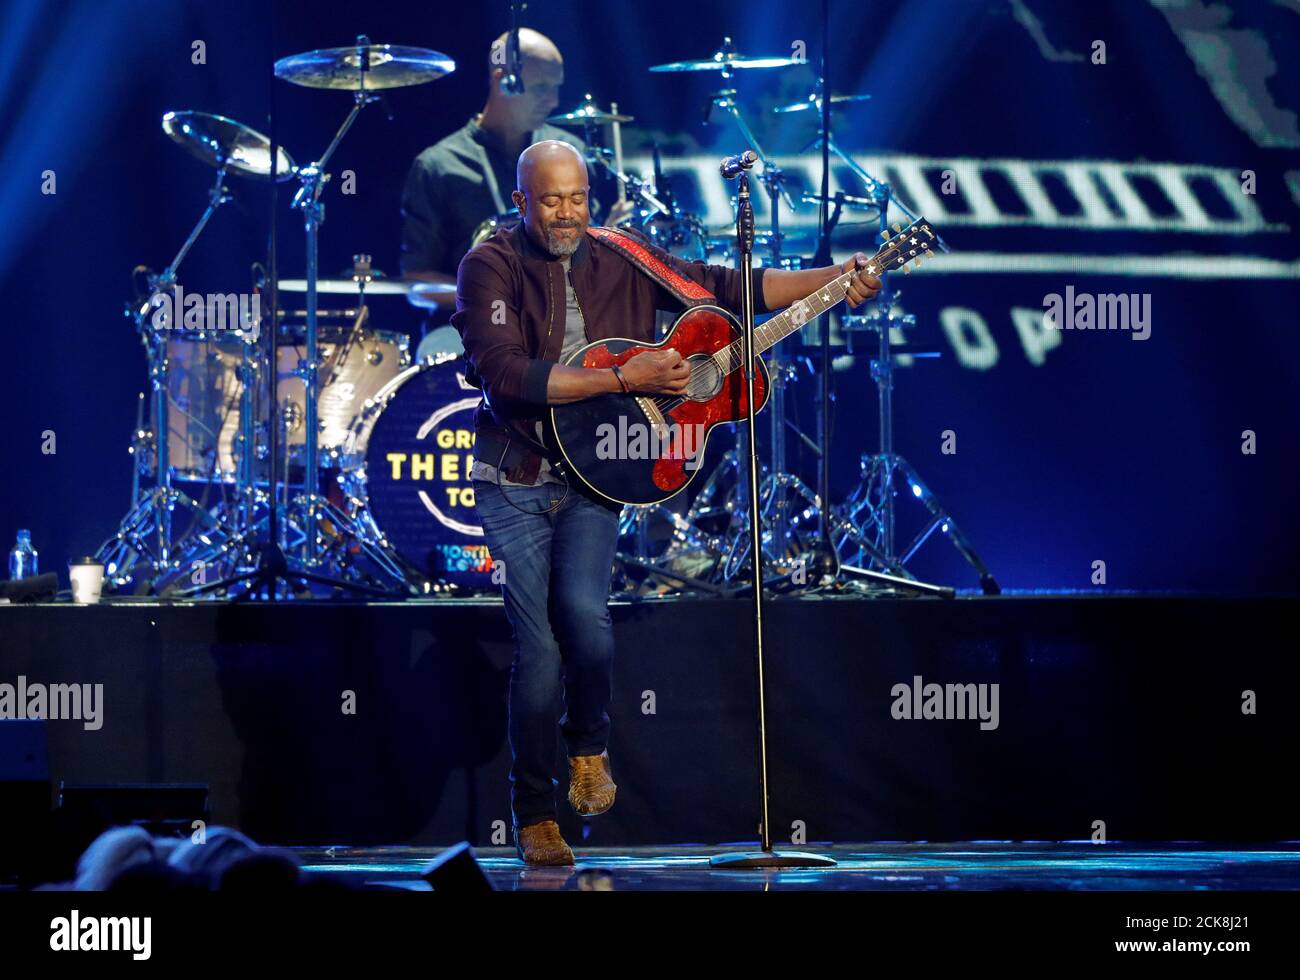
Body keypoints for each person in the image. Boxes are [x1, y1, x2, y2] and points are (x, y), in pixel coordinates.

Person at [453, 140, 882, 865]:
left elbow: (724, 284)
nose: (567, 214)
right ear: (522, 200)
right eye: (551, 200)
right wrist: (626, 377)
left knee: (587, 628)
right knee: (539, 650)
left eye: (578, 197)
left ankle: (588, 747)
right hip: (516, 476)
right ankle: (534, 816)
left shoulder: (621, 252)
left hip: (599, 477)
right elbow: (503, 375)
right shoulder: (488, 264)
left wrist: (837, 277)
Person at [400, 28, 629, 355]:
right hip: (470, 335)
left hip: (565, 329)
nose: (554, 101)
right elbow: (417, 282)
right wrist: (502, 294)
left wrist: (610, 240)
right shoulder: (438, 166)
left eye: (556, 88)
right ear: (502, 80)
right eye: (541, 88)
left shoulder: (569, 152)